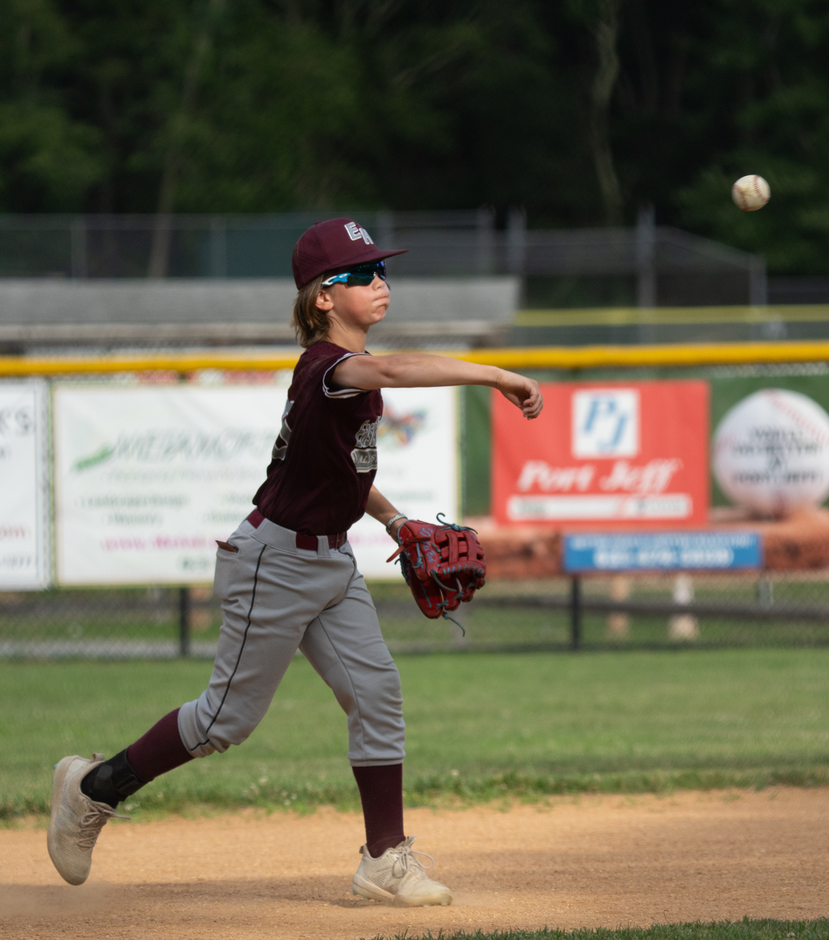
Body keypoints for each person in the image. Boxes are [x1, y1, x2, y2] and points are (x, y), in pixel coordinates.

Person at [48, 217, 543, 905]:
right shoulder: (328, 368)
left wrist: (396, 521)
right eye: (361, 274)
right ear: (322, 298)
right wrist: (494, 373)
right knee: (224, 722)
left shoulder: (349, 380)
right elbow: (395, 367)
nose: (380, 282)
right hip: (273, 563)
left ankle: (384, 861)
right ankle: (92, 789)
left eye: (382, 270)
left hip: (330, 561)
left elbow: (339, 475)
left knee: (378, 695)